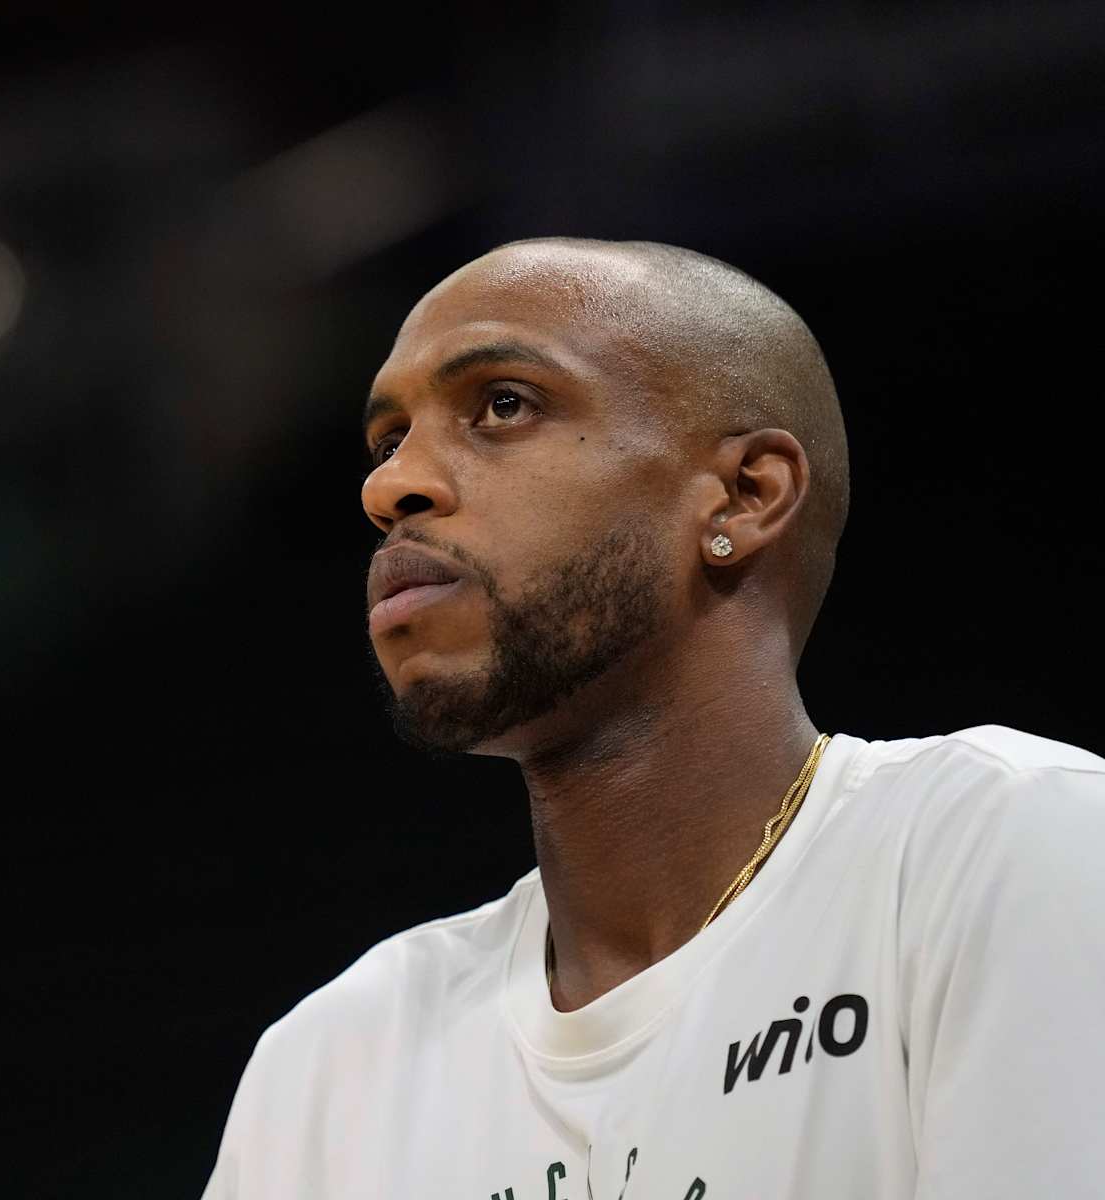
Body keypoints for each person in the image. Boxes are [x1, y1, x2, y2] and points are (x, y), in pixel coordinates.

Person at [198, 237, 1105, 1198]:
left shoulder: (1010, 851)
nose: (390, 488)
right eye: (389, 442)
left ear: (744, 494)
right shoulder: (331, 1068)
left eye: (503, 405)